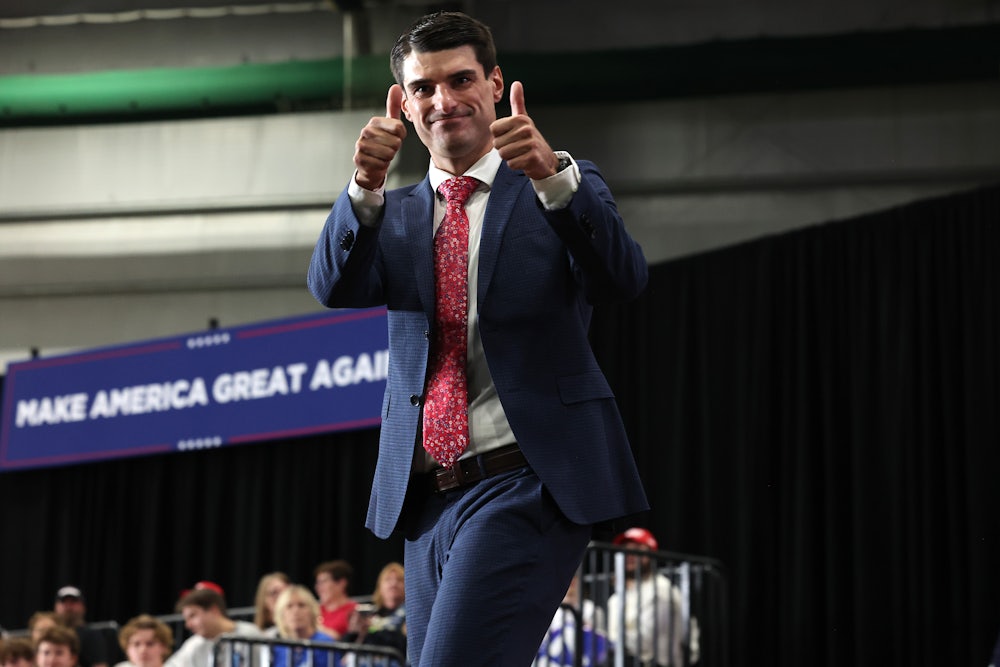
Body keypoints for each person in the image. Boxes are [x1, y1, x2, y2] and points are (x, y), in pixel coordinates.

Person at [307, 9, 648, 666]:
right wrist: (362, 190)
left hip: (527, 478)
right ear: (404, 106)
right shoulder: (392, 213)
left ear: (495, 84)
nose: (443, 101)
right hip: (427, 496)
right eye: (424, 89)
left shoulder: (557, 184)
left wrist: (552, 174)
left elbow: (622, 277)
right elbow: (333, 285)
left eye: (460, 79)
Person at [606, 528, 685, 667]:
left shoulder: (662, 590)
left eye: (636, 549)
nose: (628, 555)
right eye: (624, 550)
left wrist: (603, 641)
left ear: (649, 554)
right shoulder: (615, 599)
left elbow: (646, 642)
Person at [164, 587, 262, 667]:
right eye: (186, 619)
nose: (188, 625)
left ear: (214, 610)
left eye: (193, 616)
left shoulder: (250, 634)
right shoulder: (194, 644)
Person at [534, 573, 608, 666]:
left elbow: (600, 644)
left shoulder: (592, 609)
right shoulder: (548, 611)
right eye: (569, 577)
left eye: (574, 578)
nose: (571, 582)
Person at [343, 562, 406, 660]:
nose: (393, 584)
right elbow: (344, 647)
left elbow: (402, 644)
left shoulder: (410, 615)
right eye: (388, 580)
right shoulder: (370, 613)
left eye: (399, 580)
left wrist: (372, 629)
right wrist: (354, 632)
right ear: (379, 587)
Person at [271, 585, 339, 667]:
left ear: (312, 611)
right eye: (289, 606)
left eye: (301, 605)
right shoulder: (278, 647)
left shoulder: (325, 643)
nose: (295, 611)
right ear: (281, 615)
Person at [53, 586, 108, 667]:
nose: (68, 606)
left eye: (73, 602)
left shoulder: (92, 635)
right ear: (56, 606)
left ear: (83, 606)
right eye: (64, 602)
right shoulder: (50, 634)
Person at [313, 561, 357, 639]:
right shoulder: (314, 610)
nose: (318, 588)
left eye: (324, 582)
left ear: (341, 583)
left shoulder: (354, 611)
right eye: (318, 583)